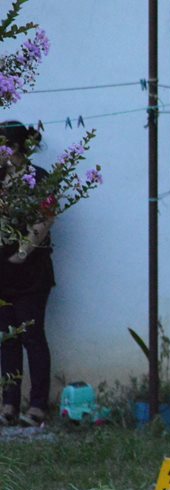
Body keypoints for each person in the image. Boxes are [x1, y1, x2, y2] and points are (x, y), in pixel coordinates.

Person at [0, 121, 55, 428]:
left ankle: (37, 406)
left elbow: (47, 217)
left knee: (32, 336)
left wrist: (23, 251)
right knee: (6, 338)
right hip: (1, 271)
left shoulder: (39, 178)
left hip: (31, 271)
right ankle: (9, 403)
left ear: (15, 148)